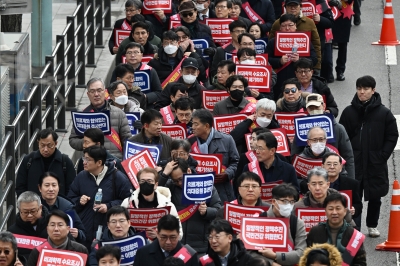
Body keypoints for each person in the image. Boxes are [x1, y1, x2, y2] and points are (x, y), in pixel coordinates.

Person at [339, 75, 399, 237]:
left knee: (375, 195)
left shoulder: (384, 113)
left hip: (375, 162)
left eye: (365, 89)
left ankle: (372, 225)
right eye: (359, 89)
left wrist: (382, 155)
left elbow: (392, 135)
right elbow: (341, 137)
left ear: (373, 90)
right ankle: (355, 226)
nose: (362, 92)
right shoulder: (349, 112)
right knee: (355, 195)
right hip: (355, 162)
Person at [67, 146, 132, 250]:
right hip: (85, 232)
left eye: (88, 159)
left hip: (108, 233)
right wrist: (79, 201)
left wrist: (109, 206)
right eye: (84, 158)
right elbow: (70, 200)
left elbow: (128, 201)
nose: (84, 162)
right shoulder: (81, 177)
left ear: (99, 162)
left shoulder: (118, 177)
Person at [159, 159, 221, 254]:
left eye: (181, 179)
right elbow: (155, 192)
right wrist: (164, 174)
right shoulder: (170, 186)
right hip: (176, 243)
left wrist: (206, 211)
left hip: (199, 245)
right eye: (175, 181)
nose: (179, 183)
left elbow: (218, 210)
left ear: (188, 171)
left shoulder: (205, 185)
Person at [291, 93, 355, 180]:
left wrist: (350, 181)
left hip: (334, 176)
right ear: (307, 109)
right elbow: (295, 156)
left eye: (317, 107)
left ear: (324, 106)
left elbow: (348, 156)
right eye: (311, 108)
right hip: (310, 177)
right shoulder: (301, 129)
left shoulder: (338, 128)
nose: (314, 110)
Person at [69, 77, 132, 160]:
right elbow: (73, 140)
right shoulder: (83, 114)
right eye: (92, 91)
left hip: (114, 161)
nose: (96, 94)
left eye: (99, 90)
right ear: (88, 94)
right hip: (91, 161)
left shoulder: (119, 113)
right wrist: (85, 143)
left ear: (104, 92)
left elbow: (127, 140)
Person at [188, 109, 239, 202]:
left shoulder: (226, 140)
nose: (192, 127)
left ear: (206, 126)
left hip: (222, 189)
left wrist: (227, 173)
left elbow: (236, 162)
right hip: (198, 189)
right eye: (192, 124)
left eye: (196, 124)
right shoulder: (189, 142)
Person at [306, 193, 367, 266]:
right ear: (325, 211)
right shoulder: (315, 231)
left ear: (345, 211)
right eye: (331, 209)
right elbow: (307, 257)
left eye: (338, 208)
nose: (334, 212)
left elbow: (361, 262)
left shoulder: (353, 234)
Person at [121, 168, 182, 238]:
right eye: (142, 181)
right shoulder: (127, 203)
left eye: (149, 181)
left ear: (156, 184)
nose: (146, 183)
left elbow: (179, 233)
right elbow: (120, 226)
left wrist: (159, 236)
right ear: (139, 184)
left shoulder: (167, 205)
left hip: (157, 246)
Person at [267, 14, 317, 100]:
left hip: (300, 80)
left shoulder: (304, 40)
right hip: (279, 79)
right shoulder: (273, 42)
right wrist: (279, 61)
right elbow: (266, 61)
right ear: (280, 28)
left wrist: (300, 60)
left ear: (295, 26)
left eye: (290, 25)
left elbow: (314, 60)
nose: (287, 28)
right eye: (284, 26)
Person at [16, 128, 76, 197]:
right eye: (42, 145)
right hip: (34, 205)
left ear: (56, 143)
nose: (45, 149)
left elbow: (71, 188)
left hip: (59, 206)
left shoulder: (65, 162)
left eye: (49, 145)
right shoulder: (28, 160)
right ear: (38, 142)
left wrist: (64, 205)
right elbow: (20, 186)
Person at [258, 183, 306, 265]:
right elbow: (250, 252)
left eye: (291, 202)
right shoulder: (259, 219)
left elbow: (301, 253)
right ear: (273, 201)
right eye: (284, 201)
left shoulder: (297, 222)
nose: (288, 205)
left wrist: (275, 255)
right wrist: (272, 263)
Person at [269, 0, 322, 73]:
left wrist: (316, 67)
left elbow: (316, 45)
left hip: (302, 71)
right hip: (281, 71)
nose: (292, 8)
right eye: (290, 6)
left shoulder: (309, 23)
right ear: (285, 7)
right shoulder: (277, 23)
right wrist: (279, 61)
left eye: (295, 5)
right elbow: (269, 53)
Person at [110, 42, 162, 108]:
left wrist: (145, 97)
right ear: (125, 55)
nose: (132, 55)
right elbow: (111, 89)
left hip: (145, 106)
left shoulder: (150, 70)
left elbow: (158, 92)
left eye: (136, 52)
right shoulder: (119, 69)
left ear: (141, 55)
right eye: (129, 53)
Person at [38, 172, 86, 243]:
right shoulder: (34, 206)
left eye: (54, 185)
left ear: (59, 187)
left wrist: (78, 234)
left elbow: (83, 234)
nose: (51, 189)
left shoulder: (67, 206)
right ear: (40, 188)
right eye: (47, 185)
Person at [133, 215, 199, 266]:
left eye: (172, 237)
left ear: (178, 234)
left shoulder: (190, 255)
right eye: (164, 237)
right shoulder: (142, 254)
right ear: (157, 234)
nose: (168, 242)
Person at [321, 152, 362, 228]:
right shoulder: (317, 184)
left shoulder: (352, 184)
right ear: (322, 166)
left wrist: (354, 209)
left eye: (335, 164)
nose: (332, 167)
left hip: (344, 224)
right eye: (329, 164)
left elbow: (358, 205)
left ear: (341, 167)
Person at [8, 192, 49, 261]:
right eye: (25, 212)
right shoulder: (12, 232)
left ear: (40, 208)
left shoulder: (54, 226)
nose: (29, 215)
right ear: (19, 209)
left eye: (33, 211)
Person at [332, 0, 353, 81]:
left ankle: (340, 70)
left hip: (344, 11)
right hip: (329, 9)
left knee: (343, 44)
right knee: (327, 43)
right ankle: (327, 71)